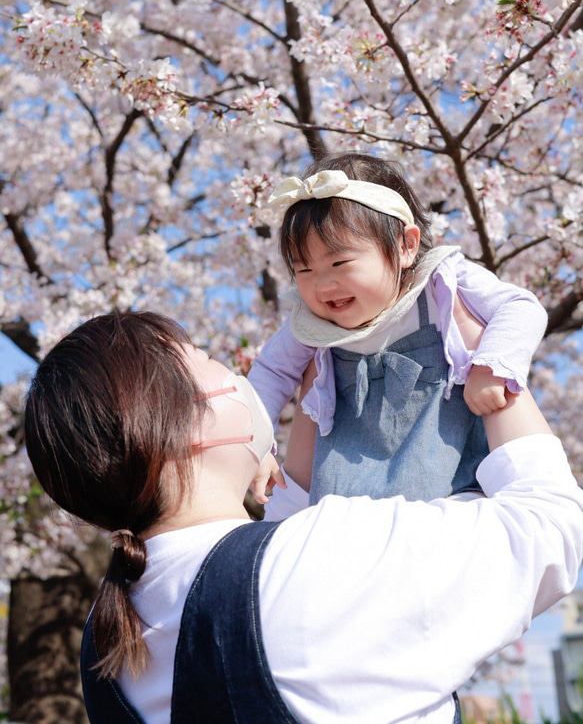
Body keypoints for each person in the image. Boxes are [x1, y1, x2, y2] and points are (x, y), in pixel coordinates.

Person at [24, 310, 583, 724]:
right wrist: (490, 358)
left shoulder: (106, 639)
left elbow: (253, 562)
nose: (242, 374)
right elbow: (550, 525)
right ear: (190, 427)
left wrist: (314, 413)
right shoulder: (325, 560)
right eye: (212, 363)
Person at [249, 152, 548, 502]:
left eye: (339, 262)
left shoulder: (441, 284)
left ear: (407, 245)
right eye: (304, 270)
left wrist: (491, 365)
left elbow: (520, 306)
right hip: (347, 493)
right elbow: (270, 371)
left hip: (454, 485)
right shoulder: (314, 324)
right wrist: (255, 446)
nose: (323, 285)